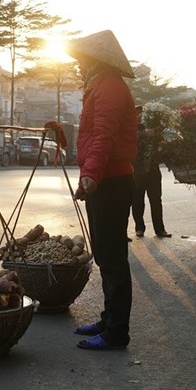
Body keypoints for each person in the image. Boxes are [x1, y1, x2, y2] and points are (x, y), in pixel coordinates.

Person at [67, 30, 138, 351]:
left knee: (113, 259)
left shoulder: (109, 88)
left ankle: (116, 333)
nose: (79, 67)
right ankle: (109, 319)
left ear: (96, 61)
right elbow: (91, 137)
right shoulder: (99, 86)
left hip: (111, 181)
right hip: (104, 180)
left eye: (82, 61)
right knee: (106, 256)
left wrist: (91, 175)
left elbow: (103, 136)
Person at [131, 105, 171, 239]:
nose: (138, 116)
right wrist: (144, 134)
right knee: (137, 201)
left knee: (156, 200)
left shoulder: (149, 127)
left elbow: (160, 140)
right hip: (137, 171)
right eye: (136, 114)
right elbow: (129, 139)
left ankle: (160, 229)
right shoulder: (129, 129)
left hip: (153, 170)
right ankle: (139, 228)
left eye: (140, 114)